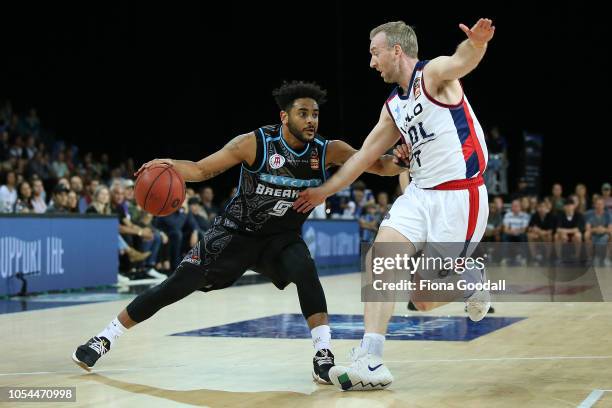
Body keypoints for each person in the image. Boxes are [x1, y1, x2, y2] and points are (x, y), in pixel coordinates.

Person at [72, 81, 405, 385]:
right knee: (174, 286)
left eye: (315, 114)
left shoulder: (326, 150)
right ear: (284, 116)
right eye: (303, 113)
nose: (311, 120)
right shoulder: (255, 143)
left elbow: (376, 163)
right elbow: (202, 170)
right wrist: (169, 164)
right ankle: (104, 338)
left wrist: (403, 161)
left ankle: (323, 354)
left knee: (305, 269)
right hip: (234, 233)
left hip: (281, 239)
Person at [293, 18, 495, 390]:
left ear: (396, 51)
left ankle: (471, 280)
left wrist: (478, 44)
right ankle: (370, 359)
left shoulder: (432, 75)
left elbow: (460, 60)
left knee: (422, 298)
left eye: (374, 53)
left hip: (460, 196)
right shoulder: (393, 107)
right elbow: (363, 156)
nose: (371, 62)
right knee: (380, 256)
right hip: (419, 193)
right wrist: (326, 189)